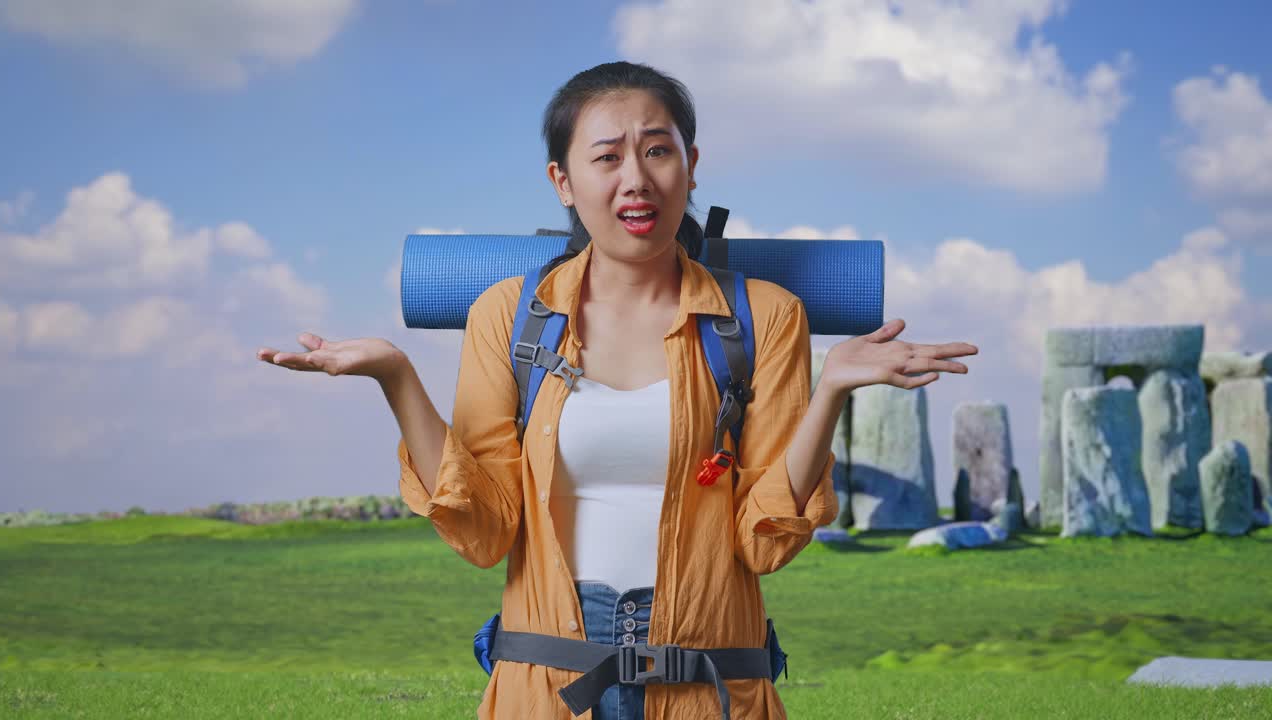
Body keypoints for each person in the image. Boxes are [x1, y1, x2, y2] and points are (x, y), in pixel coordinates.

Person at [257, 61, 977, 720]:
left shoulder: (766, 317)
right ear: (563, 182)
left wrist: (832, 391)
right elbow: (485, 531)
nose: (636, 178)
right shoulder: (508, 316)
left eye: (657, 150)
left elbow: (764, 544)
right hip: (545, 688)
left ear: (691, 168)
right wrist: (395, 376)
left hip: (710, 691)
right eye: (606, 157)